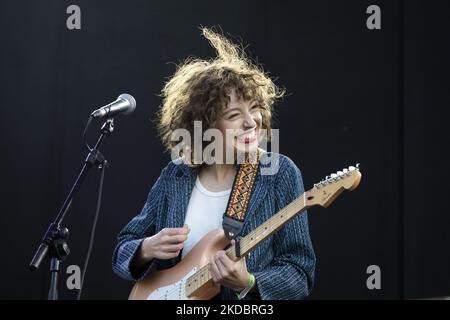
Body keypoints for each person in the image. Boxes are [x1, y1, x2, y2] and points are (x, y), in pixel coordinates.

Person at [112, 27, 315, 300]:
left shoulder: (279, 173)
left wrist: (250, 282)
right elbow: (124, 248)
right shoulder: (176, 174)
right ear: (205, 125)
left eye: (254, 108)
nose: (250, 121)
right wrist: (146, 248)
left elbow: (300, 273)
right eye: (234, 114)